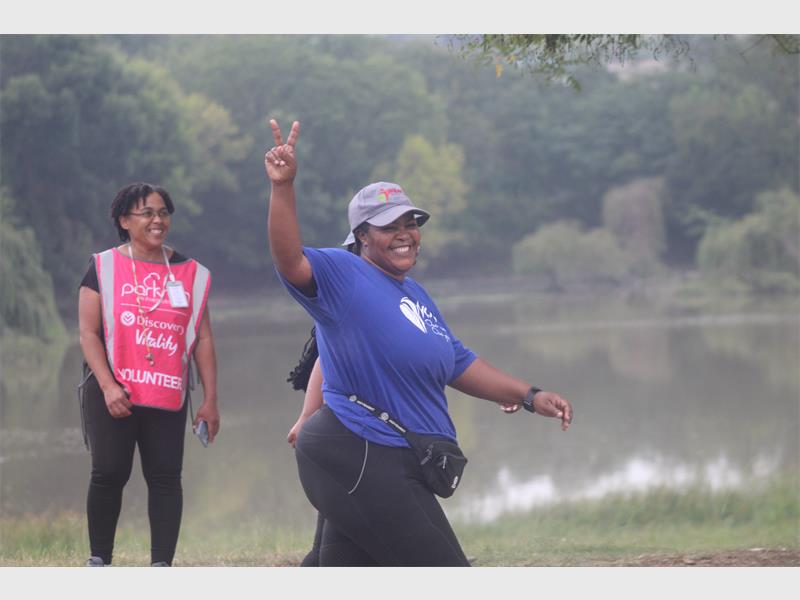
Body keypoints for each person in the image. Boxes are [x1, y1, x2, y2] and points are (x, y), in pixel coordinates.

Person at [266, 119, 573, 566]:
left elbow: (456, 361)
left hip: (395, 455)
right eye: (390, 225)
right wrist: (283, 186)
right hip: (360, 450)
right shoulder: (342, 274)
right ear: (363, 236)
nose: (405, 232)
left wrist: (529, 395)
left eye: (411, 222)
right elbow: (288, 257)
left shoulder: (414, 294)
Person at [77, 182, 220, 567]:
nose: (158, 220)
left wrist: (209, 399)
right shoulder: (103, 266)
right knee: (109, 472)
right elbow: (88, 333)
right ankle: (99, 562)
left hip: (168, 391)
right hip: (113, 391)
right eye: (147, 213)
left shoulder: (190, 272)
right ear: (125, 221)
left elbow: (203, 337)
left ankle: (161, 568)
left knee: (165, 477)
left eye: (163, 212)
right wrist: (108, 387)